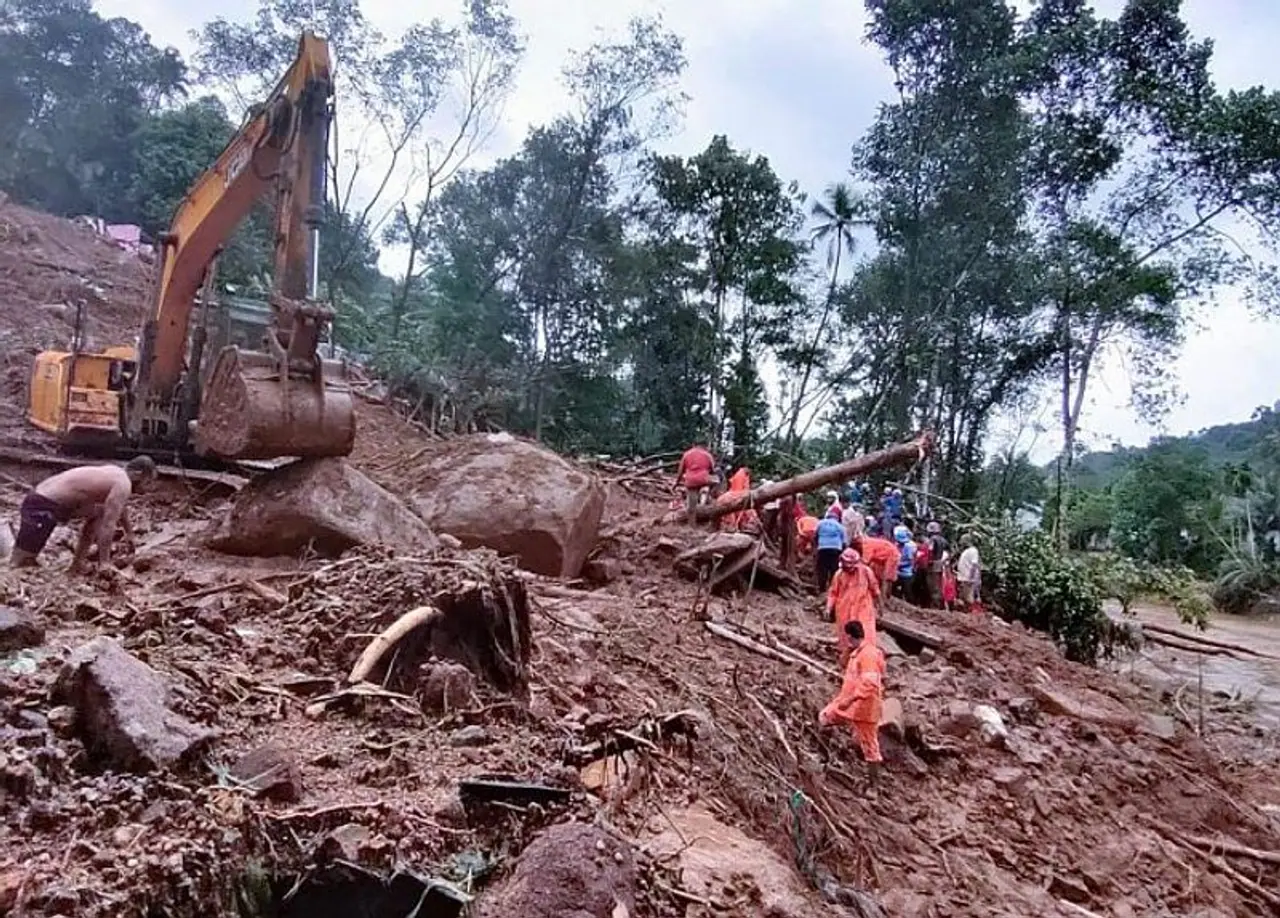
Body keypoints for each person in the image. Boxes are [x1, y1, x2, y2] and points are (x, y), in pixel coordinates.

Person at [10, 456, 157, 571]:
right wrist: (105, 563)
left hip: (43, 500)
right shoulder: (123, 484)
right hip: (42, 505)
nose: (148, 489)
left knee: (98, 513)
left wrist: (129, 533)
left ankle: (77, 564)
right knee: (20, 562)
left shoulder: (116, 473)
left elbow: (121, 508)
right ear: (138, 475)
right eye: (148, 482)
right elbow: (108, 526)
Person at [819, 619, 885, 776]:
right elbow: (843, 664)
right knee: (824, 717)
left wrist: (850, 699)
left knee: (870, 746)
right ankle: (825, 760)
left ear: (849, 636)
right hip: (847, 704)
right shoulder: (858, 653)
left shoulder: (868, 655)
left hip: (864, 707)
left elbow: (870, 684)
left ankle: (873, 785)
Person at [826, 548, 879, 662]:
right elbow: (833, 592)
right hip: (844, 611)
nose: (850, 567)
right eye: (847, 564)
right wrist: (829, 607)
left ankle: (867, 659)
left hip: (863, 609)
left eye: (852, 564)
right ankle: (847, 662)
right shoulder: (839, 574)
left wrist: (879, 606)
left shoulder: (866, 572)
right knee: (846, 638)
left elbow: (875, 589)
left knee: (866, 635)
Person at [852, 534, 899, 615]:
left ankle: (884, 600)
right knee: (878, 578)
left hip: (891, 555)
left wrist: (854, 564)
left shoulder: (866, 545)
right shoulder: (867, 542)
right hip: (882, 557)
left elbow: (865, 562)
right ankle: (881, 598)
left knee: (886, 579)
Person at [676, 444, 717, 518]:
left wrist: (677, 482)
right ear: (704, 446)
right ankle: (708, 498)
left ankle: (692, 526)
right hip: (704, 480)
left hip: (691, 481)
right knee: (716, 481)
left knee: (691, 507)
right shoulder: (707, 455)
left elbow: (680, 471)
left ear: (693, 445)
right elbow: (713, 469)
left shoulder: (686, 454)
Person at [814, 512, 846, 593]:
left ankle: (822, 588)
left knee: (822, 569)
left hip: (823, 548)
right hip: (835, 549)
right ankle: (833, 588)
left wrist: (817, 545)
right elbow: (844, 541)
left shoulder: (820, 523)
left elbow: (815, 535)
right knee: (834, 569)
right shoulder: (840, 526)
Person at [923, 521, 948, 609]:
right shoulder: (943, 540)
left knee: (933, 586)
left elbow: (930, 550)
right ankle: (939, 604)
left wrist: (928, 561)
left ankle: (935, 606)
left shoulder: (933, 539)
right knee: (938, 584)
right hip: (940, 563)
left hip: (933, 564)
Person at [956, 534, 982, 610]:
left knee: (968, 598)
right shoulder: (967, 551)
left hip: (968, 578)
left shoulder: (973, 551)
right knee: (964, 597)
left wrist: (970, 578)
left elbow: (974, 565)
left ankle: (971, 615)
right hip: (963, 578)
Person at [892, 525, 916, 599]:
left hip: (907, 573)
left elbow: (910, 560)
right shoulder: (897, 544)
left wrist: (898, 564)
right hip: (898, 572)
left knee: (908, 593)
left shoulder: (910, 546)